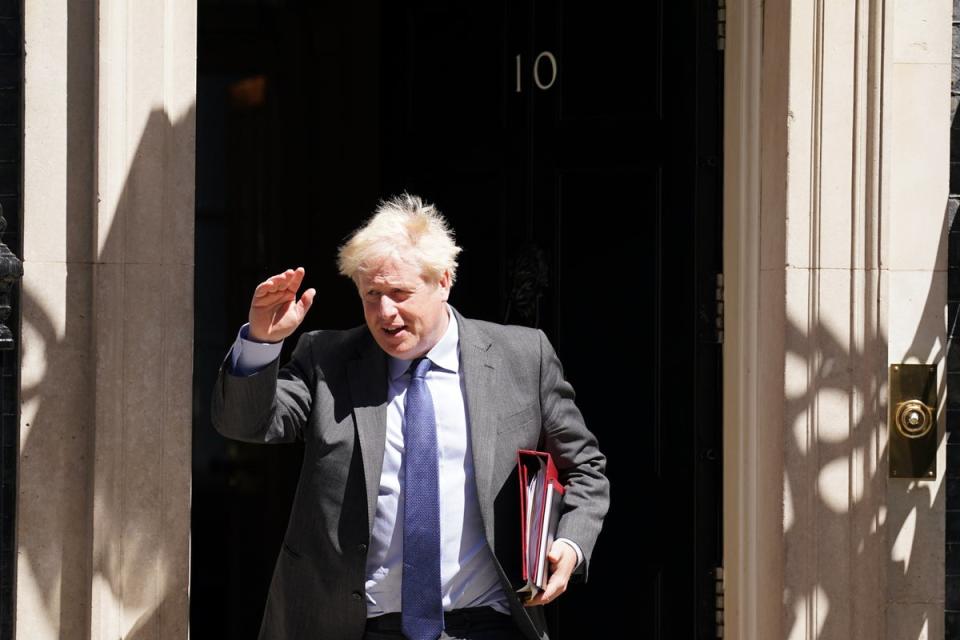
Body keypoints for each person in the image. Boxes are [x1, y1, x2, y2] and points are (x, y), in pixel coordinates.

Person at [211, 193, 609, 640]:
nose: (385, 313)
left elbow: (586, 470)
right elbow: (245, 423)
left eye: (400, 293)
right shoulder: (327, 359)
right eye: (371, 295)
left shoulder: (523, 357)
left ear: (444, 280)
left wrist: (570, 544)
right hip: (355, 625)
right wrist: (262, 342)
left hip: (487, 622)